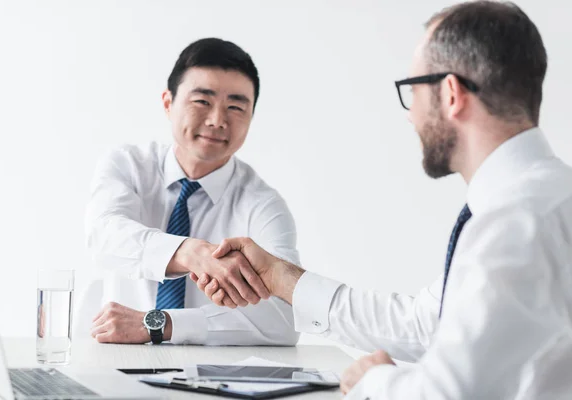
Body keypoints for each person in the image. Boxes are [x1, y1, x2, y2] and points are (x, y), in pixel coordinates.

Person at [191, 2, 572, 398]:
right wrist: (279, 278)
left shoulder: (518, 222)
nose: (410, 116)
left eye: (413, 90)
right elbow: (428, 323)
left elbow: (451, 394)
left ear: (451, 94)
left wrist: (375, 382)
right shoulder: (541, 199)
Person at [84, 38, 301, 346]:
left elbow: (286, 318)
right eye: (202, 101)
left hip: (211, 380)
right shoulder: (128, 165)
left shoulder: (264, 205)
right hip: (113, 359)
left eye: (236, 107)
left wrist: (163, 324)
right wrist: (191, 254)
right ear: (168, 103)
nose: (217, 120)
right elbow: (103, 235)